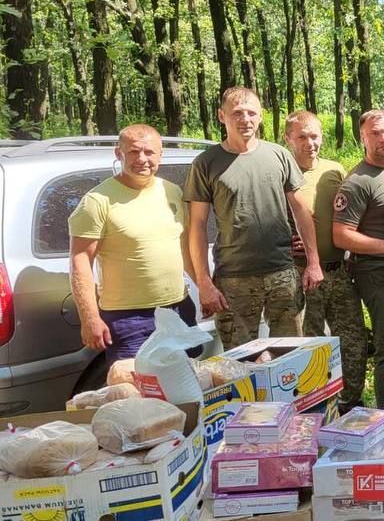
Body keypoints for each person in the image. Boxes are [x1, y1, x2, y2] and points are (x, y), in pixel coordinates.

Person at [185, 87, 322, 350]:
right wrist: (203, 282)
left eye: (251, 113)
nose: (245, 119)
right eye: (236, 113)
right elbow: (198, 226)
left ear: (260, 117)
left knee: (289, 354)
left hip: (282, 273)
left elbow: (301, 210)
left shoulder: (278, 155)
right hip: (233, 279)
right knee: (241, 360)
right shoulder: (206, 163)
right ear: (222, 116)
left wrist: (313, 262)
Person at [69, 125, 197, 367]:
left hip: (178, 309)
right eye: (133, 152)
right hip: (128, 318)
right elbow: (80, 261)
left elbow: (184, 247)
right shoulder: (97, 201)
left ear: (161, 154)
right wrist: (90, 318)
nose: (142, 159)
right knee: (138, 394)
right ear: (119, 153)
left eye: (149, 152)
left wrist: (205, 286)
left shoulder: (172, 192)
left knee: (189, 387)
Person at [333, 109, 384, 417]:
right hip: (376, 271)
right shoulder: (357, 181)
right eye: (376, 133)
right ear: (363, 138)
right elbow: (341, 235)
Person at [284, 110, 368, 413]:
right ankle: (315, 407)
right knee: (308, 345)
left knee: (353, 339)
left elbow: (350, 215)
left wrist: (351, 253)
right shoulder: (281, 173)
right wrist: (285, 239)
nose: (310, 143)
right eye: (302, 137)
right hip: (300, 274)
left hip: (339, 270)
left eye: (314, 136)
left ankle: (352, 401)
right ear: (288, 138)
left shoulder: (335, 170)